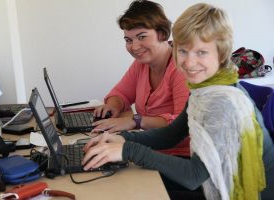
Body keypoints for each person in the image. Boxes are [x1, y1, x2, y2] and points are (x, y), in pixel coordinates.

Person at [83, 3, 274, 200]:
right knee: (122, 183)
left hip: (236, 192)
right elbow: (171, 135)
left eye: (201, 52)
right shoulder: (203, 88)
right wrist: (122, 139)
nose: (189, 63)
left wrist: (128, 150)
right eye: (182, 51)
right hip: (213, 181)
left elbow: (194, 176)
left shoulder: (224, 103)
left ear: (222, 52)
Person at [92, 0, 189, 138]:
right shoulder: (141, 64)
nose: (134, 47)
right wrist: (113, 106)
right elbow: (121, 93)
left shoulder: (182, 67)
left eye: (141, 37)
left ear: (161, 34)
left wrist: (135, 121)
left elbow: (183, 125)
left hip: (178, 154)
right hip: (152, 146)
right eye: (128, 40)